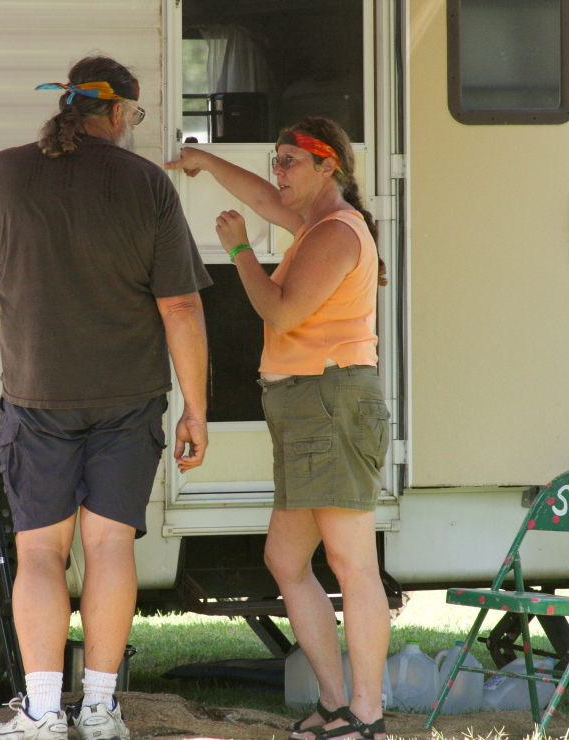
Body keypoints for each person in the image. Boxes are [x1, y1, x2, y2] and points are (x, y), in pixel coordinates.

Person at [0, 55, 212, 740]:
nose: (133, 124)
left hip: (37, 394)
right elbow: (180, 307)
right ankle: (103, 709)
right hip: (128, 395)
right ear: (114, 112)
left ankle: (44, 711)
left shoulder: (4, 172)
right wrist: (196, 408)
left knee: (40, 555)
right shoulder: (146, 183)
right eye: (133, 113)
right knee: (109, 546)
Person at [165, 118, 390, 740]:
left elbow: (281, 312)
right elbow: (263, 198)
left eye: (289, 160)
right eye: (276, 158)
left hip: (330, 399)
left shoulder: (336, 231)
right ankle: (335, 703)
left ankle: (367, 714)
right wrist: (205, 162)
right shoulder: (313, 223)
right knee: (286, 558)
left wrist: (239, 249)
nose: (278, 171)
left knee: (351, 564)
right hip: (304, 403)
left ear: (328, 167)